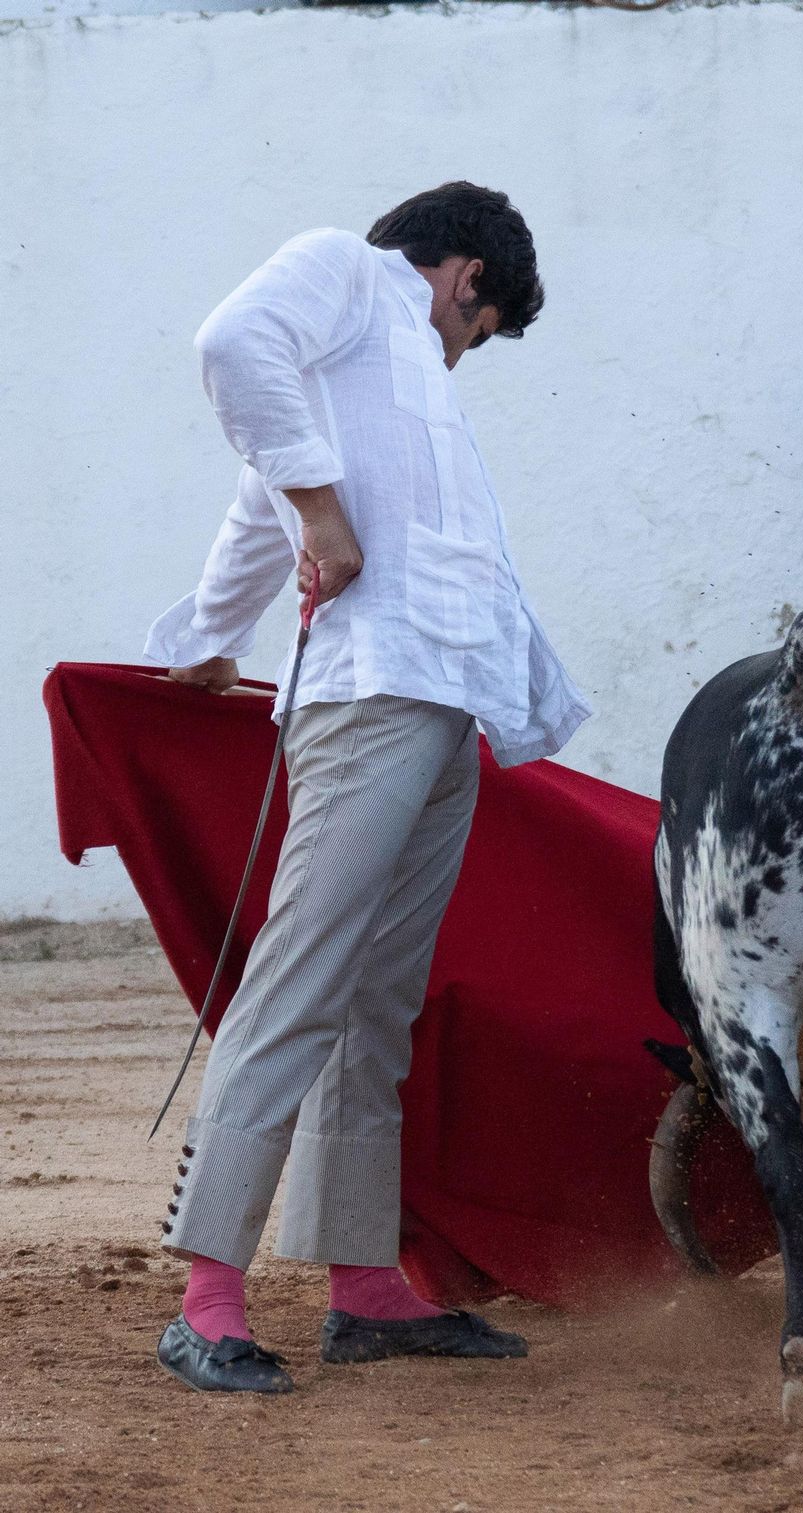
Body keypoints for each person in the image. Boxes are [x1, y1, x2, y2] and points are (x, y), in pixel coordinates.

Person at [144, 182, 592, 1393]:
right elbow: (232, 345)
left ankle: (363, 1286)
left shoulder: (377, 379)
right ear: (465, 280)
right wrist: (323, 512)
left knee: (374, 1003)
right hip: (367, 696)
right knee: (301, 979)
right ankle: (207, 1296)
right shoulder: (347, 269)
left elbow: (259, 499)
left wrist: (211, 631)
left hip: (441, 704)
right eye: (475, 332)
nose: (460, 355)